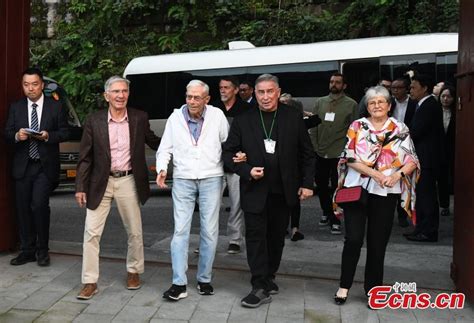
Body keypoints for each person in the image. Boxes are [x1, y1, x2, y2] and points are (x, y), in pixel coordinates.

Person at [223, 74, 315, 308]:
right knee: (255, 238)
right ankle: (259, 285)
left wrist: (307, 184)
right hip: (254, 189)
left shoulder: (293, 117)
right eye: (260, 92)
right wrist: (245, 169)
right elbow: (228, 154)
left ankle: (269, 276)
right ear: (255, 94)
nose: (265, 96)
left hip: (283, 190)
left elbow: (307, 154)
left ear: (278, 91)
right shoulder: (243, 120)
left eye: (270, 91)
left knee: (276, 239)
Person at [75, 75, 161, 300]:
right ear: (107, 96)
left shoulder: (139, 118)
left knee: (134, 231)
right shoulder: (94, 121)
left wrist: (176, 143)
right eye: (116, 91)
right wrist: (80, 187)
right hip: (99, 182)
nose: (120, 95)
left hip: (128, 180)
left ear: (128, 94)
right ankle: (89, 281)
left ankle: (134, 272)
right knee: (91, 233)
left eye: (124, 91)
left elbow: (155, 142)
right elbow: (85, 158)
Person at [333, 86, 419, 306]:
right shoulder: (358, 126)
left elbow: (412, 160)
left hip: (386, 192)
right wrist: (376, 174)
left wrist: (397, 175)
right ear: (367, 106)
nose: (377, 106)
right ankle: (344, 286)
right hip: (357, 190)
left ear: (389, 106)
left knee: (377, 243)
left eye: (381, 102)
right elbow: (348, 158)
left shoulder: (400, 128)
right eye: (372, 103)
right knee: (353, 239)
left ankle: (373, 290)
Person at [156, 80, 229, 301]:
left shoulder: (217, 116)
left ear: (207, 99)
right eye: (189, 97)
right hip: (183, 178)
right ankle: (179, 283)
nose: (192, 101)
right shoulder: (175, 118)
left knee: (209, 230)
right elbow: (165, 148)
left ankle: (204, 278)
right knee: (180, 231)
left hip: (211, 177)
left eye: (197, 98)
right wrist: (161, 169)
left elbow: (227, 143)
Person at [5, 67, 70, 267]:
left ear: (42, 85)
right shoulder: (16, 107)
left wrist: (48, 135)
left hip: (44, 165)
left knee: (39, 206)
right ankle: (27, 250)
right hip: (23, 167)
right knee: (23, 209)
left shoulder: (56, 107)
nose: (30, 88)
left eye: (34, 84)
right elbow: (7, 133)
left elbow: (66, 132)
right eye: (26, 85)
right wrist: (17, 135)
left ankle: (43, 250)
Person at [309, 73, 358, 235]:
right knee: (321, 185)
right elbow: (313, 126)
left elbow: (355, 131)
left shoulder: (351, 105)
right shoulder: (320, 102)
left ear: (344, 86)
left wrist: (348, 152)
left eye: (337, 82)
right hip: (321, 152)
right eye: (331, 82)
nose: (334, 84)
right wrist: (315, 146)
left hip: (339, 153)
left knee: (338, 186)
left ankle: (335, 218)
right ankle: (326, 211)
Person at [405, 74, 444, 242]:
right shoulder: (422, 105)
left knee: (426, 196)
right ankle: (420, 228)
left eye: (413, 87)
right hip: (422, 159)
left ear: (424, 87)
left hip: (427, 160)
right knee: (420, 196)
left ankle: (428, 231)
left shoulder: (429, 105)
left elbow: (416, 132)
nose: (410, 90)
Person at [215, 76, 251, 254]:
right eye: (221, 87)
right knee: (210, 204)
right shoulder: (213, 108)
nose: (222, 90)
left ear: (236, 90)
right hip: (214, 163)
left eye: (226, 87)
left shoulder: (246, 109)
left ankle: (235, 239)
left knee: (237, 203)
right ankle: (208, 239)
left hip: (237, 163)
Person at [279, 93, 321, 241]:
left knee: (293, 199)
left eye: (285, 103)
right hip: (283, 166)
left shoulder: (298, 121)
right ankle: (287, 228)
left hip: (295, 167)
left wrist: (302, 113)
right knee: (284, 199)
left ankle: (294, 229)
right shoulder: (279, 120)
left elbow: (317, 119)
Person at [390, 77, 417, 227]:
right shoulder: (389, 103)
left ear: (406, 89)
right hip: (391, 147)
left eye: (399, 88)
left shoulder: (413, 104)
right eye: (393, 88)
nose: (395, 91)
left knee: (405, 181)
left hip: (407, 145)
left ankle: (403, 213)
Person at [437, 85, 456, 217]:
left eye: (448, 96)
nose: (445, 99)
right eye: (443, 96)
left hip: (453, 150)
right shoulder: (435, 111)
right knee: (442, 179)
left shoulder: (458, 112)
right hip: (439, 150)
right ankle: (444, 205)